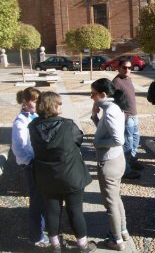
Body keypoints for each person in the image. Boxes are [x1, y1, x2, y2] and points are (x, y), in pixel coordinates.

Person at [28, 91, 94, 253]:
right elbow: (78, 140)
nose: (61, 106)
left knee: (52, 211)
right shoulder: (68, 124)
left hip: (46, 175)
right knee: (75, 210)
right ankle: (82, 245)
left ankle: (55, 246)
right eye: (58, 103)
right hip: (70, 174)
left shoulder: (33, 126)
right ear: (52, 105)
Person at [90, 78, 130, 251]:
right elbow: (106, 129)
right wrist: (94, 117)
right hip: (115, 159)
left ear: (103, 94)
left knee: (110, 203)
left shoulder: (111, 110)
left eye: (92, 94)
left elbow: (118, 139)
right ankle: (123, 231)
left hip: (110, 162)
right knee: (116, 198)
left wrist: (97, 143)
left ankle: (117, 240)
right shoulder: (111, 108)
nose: (91, 97)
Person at [11, 87, 49, 248]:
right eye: (35, 101)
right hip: (33, 166)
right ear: (25, 103)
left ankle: (42, 229)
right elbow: (19, 147)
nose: (39, 104)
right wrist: (31, 161)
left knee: (44, 199)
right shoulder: (21, 121)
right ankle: (36, 236)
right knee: (37, 201)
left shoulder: (36, 116)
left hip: (41, 164)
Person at [113, 59, 142, 180]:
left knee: (136, 139)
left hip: (134, 115)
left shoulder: (128, 79)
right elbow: (113, 102)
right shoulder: (116, 82)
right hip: (127, 116)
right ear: (119, 68)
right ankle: (126, 169)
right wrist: (123, 115)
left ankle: (132, 160)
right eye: (124, 67)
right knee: (128, 143)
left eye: (129, 68)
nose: (127, 70)